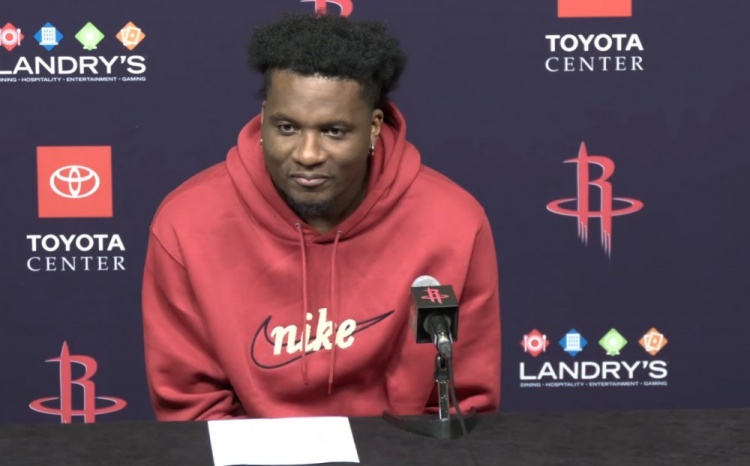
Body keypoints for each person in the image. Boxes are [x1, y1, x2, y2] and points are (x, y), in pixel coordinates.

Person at [142, 13, 500, 421]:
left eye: (334, 131)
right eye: (287, 128)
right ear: (264, 117)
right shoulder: (188, 223)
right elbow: (192, 412)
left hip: (404, 449)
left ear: (374, 127)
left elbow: (460, 406)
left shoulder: (453, 223)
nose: (307, 155)